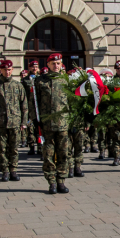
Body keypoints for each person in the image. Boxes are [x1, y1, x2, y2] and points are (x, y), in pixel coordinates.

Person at [36, 53, 71, 193]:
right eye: (53, 63)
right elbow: (35, 103)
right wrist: (35, 120)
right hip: (47, 124)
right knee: (48, 154)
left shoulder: (67, 81)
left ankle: (61, 180)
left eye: (58, 63)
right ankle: (51, 182)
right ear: (48, 64)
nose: (56, 66)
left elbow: (72, 102)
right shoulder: (40, 81)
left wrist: (74, 122)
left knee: (63, 153)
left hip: (63, 124)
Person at [0, 59, 27, 181]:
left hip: (15, 122)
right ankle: (5, 171)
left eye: (9, 70)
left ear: (12, 70)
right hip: (0, 122)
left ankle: (13, 170)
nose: (7, 72)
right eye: (5, 70)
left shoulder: (18, 85)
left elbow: (24, 105)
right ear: (1, 70)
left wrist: (23, 122)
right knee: (1, 148)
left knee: (14, 148)